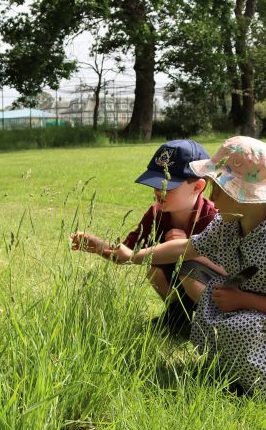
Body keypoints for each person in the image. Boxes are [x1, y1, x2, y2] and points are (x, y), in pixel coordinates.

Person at [72, 136, 266, 415]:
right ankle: (246, 377)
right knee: (231, 323)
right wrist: (134, 256)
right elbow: (187, 248)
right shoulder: (226, 227)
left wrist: (243, 299)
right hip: (256, 315)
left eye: (218, 189)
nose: (212, 197)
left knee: (244, 324)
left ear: (244, 196)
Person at [72, 139, 225, 335]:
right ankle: (179, 317)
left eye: (167, 186)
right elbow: (130, 254)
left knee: (190, 270)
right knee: (155, 268)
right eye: (154, 183)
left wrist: (187, 249)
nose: (157, 191)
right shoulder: (156, 215)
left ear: (197, 187)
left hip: (217, 288)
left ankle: (213, 327)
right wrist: (101, 247)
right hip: (183, 283)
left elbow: (229, 268)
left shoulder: (212, 218)